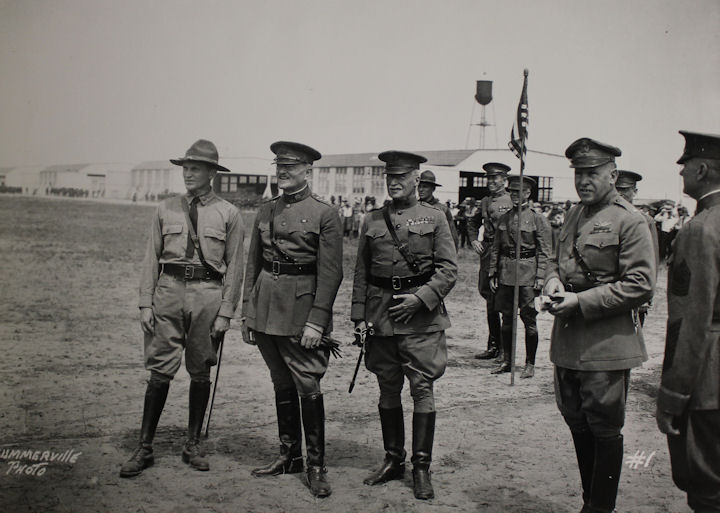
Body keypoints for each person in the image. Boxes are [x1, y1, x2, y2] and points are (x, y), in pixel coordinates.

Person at [544, 137, 655, 513]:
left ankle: (600, 508)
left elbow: (640, 284)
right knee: (576, 420)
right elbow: (558, 263)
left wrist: (581, 301)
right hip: (569, 341)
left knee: (605, 427)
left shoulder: (630, 220)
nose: (583, 180)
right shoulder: (574, 215)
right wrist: (552, 282)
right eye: (578, 173)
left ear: (613, 174)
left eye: (592, 173)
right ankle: (589, 502)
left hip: (607, 343)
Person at [120, 139, 244, 477]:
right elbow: (150, 258)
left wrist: (226, 313)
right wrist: (146, 303)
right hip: (169, 290)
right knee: (160, 368)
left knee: (200, 369)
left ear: (211, 173)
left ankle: (192, 444)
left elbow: (235, 268)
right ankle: (144, 447)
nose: (188, 174)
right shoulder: (165, 208)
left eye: (196, 168)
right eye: (186, 168)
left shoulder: (228, 213)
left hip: (208, 294)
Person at [351, 150, 457, 500]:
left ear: (417, 178)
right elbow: (362, 272)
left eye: (401, 177)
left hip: (421, 319)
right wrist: (359, 316)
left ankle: (421, 467)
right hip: (381, 317)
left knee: (422, 388)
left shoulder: (435, 217)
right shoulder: (372, 220)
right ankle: (393, 459)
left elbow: (447, 270)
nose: (394, 183)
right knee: (386, 387)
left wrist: (421, 298)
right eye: (389, 177)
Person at [241, 141, 343, 498]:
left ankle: (316, 465)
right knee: (280, 382)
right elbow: (253, 264)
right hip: (265, 307)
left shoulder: (324, 213)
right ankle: (289, 455)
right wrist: (247, 313)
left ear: (308, 170)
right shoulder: (266, 209)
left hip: (302, 313)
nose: (283, 171)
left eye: (291, 165)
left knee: (307, 384)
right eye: (279, 165)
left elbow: (331, 274)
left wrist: (318, 321)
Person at [656, 130, 720, 513]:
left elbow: (688, 322)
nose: (681, 176)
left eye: (684, 168)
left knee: (706, 486)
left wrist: (672, 396)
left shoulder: (700, 230)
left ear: (701, 169)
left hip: (708, 382)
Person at [488, 175, 551, 378]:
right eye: (512, 192)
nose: (515, 196)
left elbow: (544, 251)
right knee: (507, 319)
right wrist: (492, 272)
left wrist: (540, 277)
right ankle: (507, 360)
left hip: (527, 274)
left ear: (527, 193)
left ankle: (529, 364)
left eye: (519, 192)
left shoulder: (537, 219)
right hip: (506, 273)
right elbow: (496, 248)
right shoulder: (504, 218)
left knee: (529, 319)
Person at [468, 163, 513, 360]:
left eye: (496, 178)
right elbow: (473, 222)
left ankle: (505, 349)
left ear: (505, 180)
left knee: (504, 299)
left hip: (505, 255)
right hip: (488, 254)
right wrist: (473, 240)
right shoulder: (485, 202)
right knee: (489, 299)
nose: (492, 182)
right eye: (489, 178)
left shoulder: (512, 200)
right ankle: (493, 344)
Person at [615, 170, 660, 326]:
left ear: (635, 192)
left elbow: (652, 261)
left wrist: (646, 295)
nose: (619, 194)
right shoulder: (603, 219)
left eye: (624, 189)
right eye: (616, 189)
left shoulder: (645, 221)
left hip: (632, 288)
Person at [417, 170, 459, 249]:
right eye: (419, 186)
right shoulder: (413, 208)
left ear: (433, 189)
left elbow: (452, 235)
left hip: (437, 251)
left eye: (425, 187)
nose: (421, 189)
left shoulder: (442, 209)